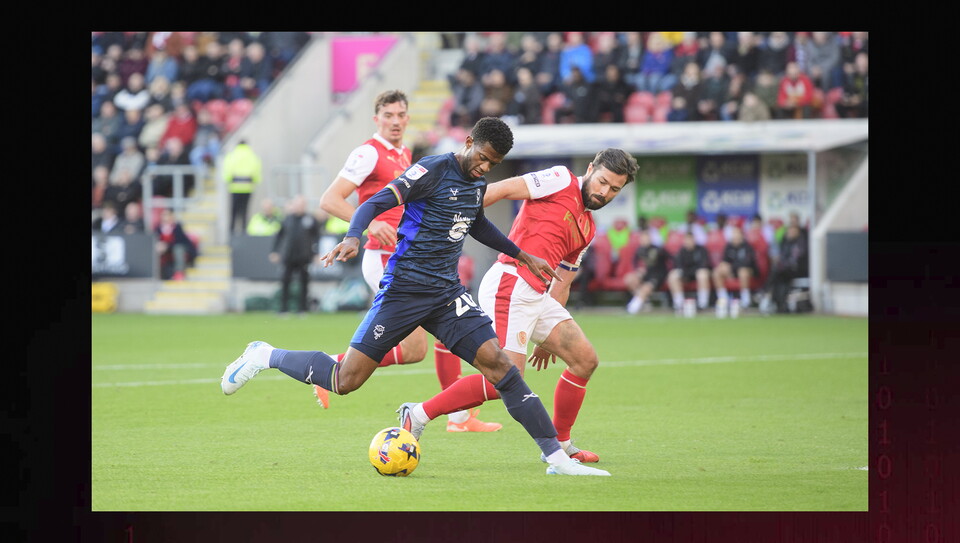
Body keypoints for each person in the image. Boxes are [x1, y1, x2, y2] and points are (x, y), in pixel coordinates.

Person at [219, 117, 609, 476]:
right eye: (484, 159)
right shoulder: (432, 169)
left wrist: (522, 254)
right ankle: (265, 355)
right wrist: (355, 235)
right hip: (404, 290)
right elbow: (375, 202)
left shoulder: (475, 183)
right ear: (470, 142)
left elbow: (478, 225)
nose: (485, 169)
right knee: (346, 380)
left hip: (445, 293)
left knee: (502, 369)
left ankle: (557, 458)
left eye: (494, 164)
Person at [400, 148, 637, 464]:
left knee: (584, 359)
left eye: (614, 189)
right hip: (511, 282)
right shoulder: (559, 179)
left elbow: (563, 281)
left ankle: (562, 444)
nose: (604, 192)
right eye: (603, 182)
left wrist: (548, 338)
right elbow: (503, 189)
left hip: (538, 296)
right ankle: (417, 415)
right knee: (504, 380)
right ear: (591, 168)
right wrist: (452, 212)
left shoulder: (588, 228)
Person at [315, 90, 499, 433]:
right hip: (388, 258)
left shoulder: (402, 154)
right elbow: (329, 199)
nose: (396, 121)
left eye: (401, 114)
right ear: (377, 119)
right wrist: (369, 224)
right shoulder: (367, 154)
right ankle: (333, 368)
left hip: (415, 257)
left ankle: (458, 418)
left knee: (433, 341)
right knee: (422, 344)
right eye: (388, 115)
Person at [269, 195, 322, 316]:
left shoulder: (310, 219)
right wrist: (275, 251)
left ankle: (302, 309)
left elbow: (317, 237)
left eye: (301, 205)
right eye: (297, 204)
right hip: (289, 255)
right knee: (285, 281)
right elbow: (279, 236)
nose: (299, 207)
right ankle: (283, 309)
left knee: (304, 282)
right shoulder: (287, 219)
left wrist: (316, 253)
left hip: (304, 256)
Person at [760, 223, 809, 313]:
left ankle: (766, 293)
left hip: (798, 270)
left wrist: (783, 264)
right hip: (785, 270)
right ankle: (779, 303)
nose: (791, 232)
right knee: (778, 277)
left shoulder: (800, 244)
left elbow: (796, 260)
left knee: (776, 273)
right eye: (789, 230)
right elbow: (782, 257)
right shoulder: (785, 242)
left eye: (793, 231)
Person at [712, 225, 758, 316]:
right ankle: (723, 300)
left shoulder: (747, 247)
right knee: (717, 272)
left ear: (742, 235)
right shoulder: (728, 246)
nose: (735, 236)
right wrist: (726, 268)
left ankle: (746, 301)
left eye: (737, 234)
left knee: (743, 272)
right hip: (732, 271)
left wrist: (731, 269)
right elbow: (724, 261)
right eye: (733, 234)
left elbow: (747, 263)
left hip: (748, 271)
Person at [221, 138, 263, 235]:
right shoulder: (253, 156)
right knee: (245, 212)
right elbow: (257, 172)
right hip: (248, 187)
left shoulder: (232, 156)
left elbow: (227, 172)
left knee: (233, 212)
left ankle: (231, 233)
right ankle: (244, 233)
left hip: (234, 187)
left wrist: (229, 180)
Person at [624, 230, 670, 314]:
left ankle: (633, 308)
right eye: (642, 238)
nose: (643, 240)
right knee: (629, 279)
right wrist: (638, 269)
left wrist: (671, 271)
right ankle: (645, 302)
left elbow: (671, 258)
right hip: (647, 274)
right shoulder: (640, 250)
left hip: (658, 275)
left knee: (646, 287)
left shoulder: (658, 250)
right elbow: (634, 261)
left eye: (646, 238)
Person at [666, 231, 712, 313]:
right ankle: (679, 304)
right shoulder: (681, 251)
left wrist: (689, 272)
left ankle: (702, 304)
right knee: (673, 276)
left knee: (702, 274)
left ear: (694, 240)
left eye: (690, 239)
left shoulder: (701, 250)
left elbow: (703, 265)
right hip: (686, 275)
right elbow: (679, 266)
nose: (688, 242)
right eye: (686, 240)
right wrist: (685, 274)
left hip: (697, 273)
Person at [154, 208, 197, 281]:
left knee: (178, 249)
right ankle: (156, 273)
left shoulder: (177, 227)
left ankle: (179, 272)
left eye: (167, 215)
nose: (165, 217)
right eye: (163, 215)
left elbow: (179, 241)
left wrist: (167, 246)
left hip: (176, 250)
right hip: (164, 252)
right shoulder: (158, 228)